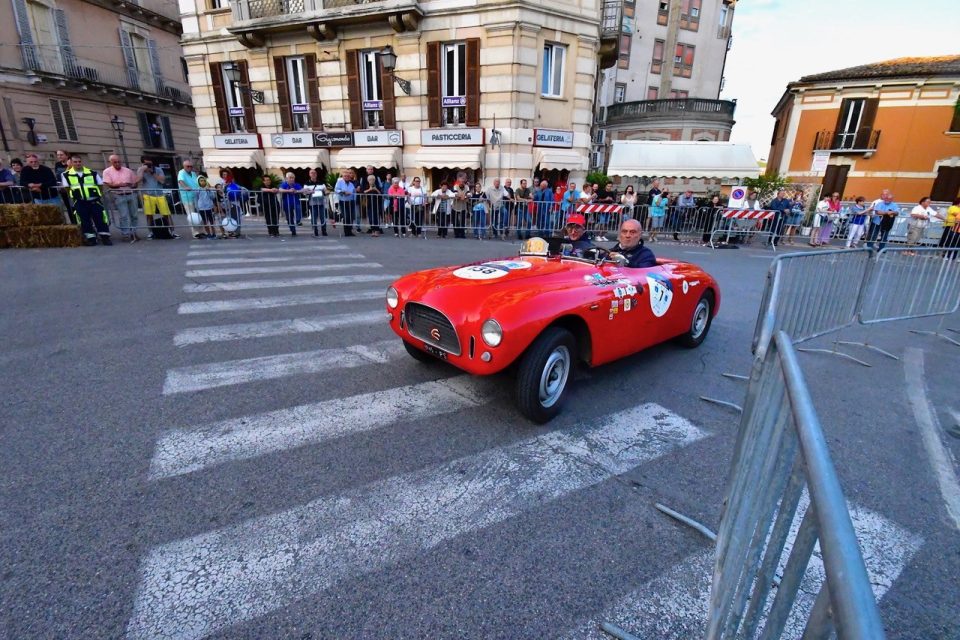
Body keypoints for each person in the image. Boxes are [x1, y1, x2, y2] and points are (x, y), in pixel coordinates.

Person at [61, 154, 111, 246]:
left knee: (101, 219)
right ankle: (91, 239)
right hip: (80, 201)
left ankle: (105, 238)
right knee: (84, 221)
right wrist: (75, 195)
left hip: (94, 200)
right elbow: (67, 188)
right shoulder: (66, 175)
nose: (78, 163)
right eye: (75, 162)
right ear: (71, 163)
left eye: (79, 161)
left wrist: (96, 194)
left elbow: (100, 185)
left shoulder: (92, 172)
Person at [102, 154, 142, 242]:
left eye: (119, 162)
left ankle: (134, 233)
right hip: (119, 195)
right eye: (115, 162)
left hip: (131, 194)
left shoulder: (128, 171)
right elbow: (108, 184)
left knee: (134, 215)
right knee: (123, 216)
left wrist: (134, 184)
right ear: (111, 162)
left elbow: (135, 183)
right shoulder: (107, 171)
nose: (117, 164)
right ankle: (126, 234)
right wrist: (120, 185)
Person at [138, 157, 175, 238]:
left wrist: (152, 173)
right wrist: (142, 170)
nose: (148, 166)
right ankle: (151, 232)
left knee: (166, 214)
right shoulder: (141, 170)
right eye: (146, 164)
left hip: (159, 195)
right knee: (149, 215)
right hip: (148, 195)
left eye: (150, 164)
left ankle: (172, 231)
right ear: (143, 163)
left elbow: (162, 181)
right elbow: (138, 180)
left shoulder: (158, 170)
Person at [176, 160, 202, 238]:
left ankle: (201, 230)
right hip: (187, 197)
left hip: (196, 196)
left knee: (199, 215)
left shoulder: (193, 174)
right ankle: (195, 232)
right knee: (191, 215)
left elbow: (197, 182)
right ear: (184, 167)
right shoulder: (181, 172)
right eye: (188, 166)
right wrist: (185, 187)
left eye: (191, 166)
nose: (190, 168)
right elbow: (180, 181)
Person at [303, 168, 327, 237]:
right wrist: (310, 192)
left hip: (321, 202)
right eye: (312, 173)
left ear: (316, 174)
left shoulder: (321, 182)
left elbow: (325, 190)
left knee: (323, 217)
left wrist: (326, 191)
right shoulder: (306, 183)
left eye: (315, 173)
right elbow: (304, 192)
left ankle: (324, 230)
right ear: (309, 174)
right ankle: (315, 231)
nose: (313, 174)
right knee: (314, 217)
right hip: (312, 203)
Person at [279, 172, 303, 236]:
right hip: (287, 204)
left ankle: (298, 221)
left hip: (296, 202)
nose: (292, 179)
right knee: (289, 218)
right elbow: (280, 190)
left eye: (293, 178)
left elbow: (302, 190)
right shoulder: (284, 184)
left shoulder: (296, 184)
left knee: (298, 208)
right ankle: (293, 230)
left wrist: (296, 191)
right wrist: (288, 191)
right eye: (290, 178)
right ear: (286, 178)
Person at [335, 169, 357, 236]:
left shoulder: (351, 184)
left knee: (351, 217)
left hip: (351, 201)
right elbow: (336, 189)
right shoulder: (339, 182)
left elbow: (354, 192)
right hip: (343, 201)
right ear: (343, 176)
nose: (347, 177)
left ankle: (350, 231)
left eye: (348, 176)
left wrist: (354, 200)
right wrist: (343, 192)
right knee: (346, 216)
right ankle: (346, 232)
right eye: (345, 176)